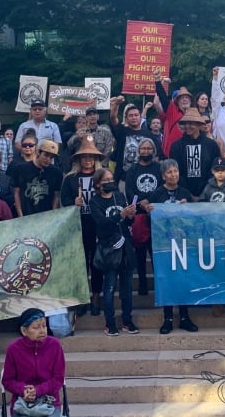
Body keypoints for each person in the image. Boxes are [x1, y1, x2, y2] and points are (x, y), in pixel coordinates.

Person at [145, 159, 199, 335]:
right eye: (169, 172)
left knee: (183, 278)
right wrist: (150, 212)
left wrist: (187, 208)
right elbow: (151, 221)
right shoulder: (156, 195)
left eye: (175, 171)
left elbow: (192, 220)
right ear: (163, 176)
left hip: (182, 244)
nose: (173, 175)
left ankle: (184, 316)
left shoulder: (184, 193)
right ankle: (167, 318)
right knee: (166, 279)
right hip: (163, 245)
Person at [89, 168, 139, 336]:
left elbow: (127, 222)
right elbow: (102, 223)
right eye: (106, 180)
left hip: (125, 247)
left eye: (112, 178)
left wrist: (130, 215)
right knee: (109, 287)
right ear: (98, 184)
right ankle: (110, 323)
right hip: (109, 249)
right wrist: (120, 214)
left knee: (127, 288)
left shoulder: (119, 196)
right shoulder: (95, 202)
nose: (110, 182)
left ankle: (127, 320)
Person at [60, 135, 104, 315]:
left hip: (98, 224)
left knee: (97, 262)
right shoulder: (71, 179)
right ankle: (82, 296)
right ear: (78, 159)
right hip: (79, 225)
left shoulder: (101, 176)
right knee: (81, 263)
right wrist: (73, 202)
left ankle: (96, 295)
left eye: (91, 157)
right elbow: (64, 200)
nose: (87, 160)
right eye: (84, 157)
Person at [2, 308, 66, 417]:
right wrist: (23, 390)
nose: (42, 331)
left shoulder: (55, 345)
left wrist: (38, 390)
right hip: (22, 402)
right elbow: (7, 381)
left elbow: (58, 379)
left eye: (44, 325)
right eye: (36, 327)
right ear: (24, 331)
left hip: (49, 401)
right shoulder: (13, 349)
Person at [124, 138, 162, 296]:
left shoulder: (158, 168)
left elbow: (161, 187)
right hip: (139, 216)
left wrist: (150, 201)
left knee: (156, 253)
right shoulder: (132, 169)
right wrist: (141, 204)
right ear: (139, 151)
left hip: (155, 214)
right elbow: (129, 190)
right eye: (143, 148)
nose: (146, 151)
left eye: (148, 148)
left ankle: (159, 284)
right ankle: (142, 284)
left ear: (153, 150)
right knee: (140, 253)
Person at [169, 108, 221, 199]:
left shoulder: (211, 145)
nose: (187, 126)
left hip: (208, 193)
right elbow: (177, 172)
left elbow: (215, 170)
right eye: (186, 123)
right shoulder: (176, 146)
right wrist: (188, 194)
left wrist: (205, 192)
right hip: (183, 195)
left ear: (199, 125)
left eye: (191, 123)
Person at [109, 98, 162, 183]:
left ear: (140, 117)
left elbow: (157, 156)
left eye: (136, 115)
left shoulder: (148, 134)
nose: (134, 117)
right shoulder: (122, 131)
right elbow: (113, 118)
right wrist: (116, 105)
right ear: (126, 118)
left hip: (144, 178)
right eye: (131, 115)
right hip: (123, 178)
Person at [12, 140, 63, 216]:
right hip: (26, 215)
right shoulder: (21, 168)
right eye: (46, 155)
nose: (48, 159)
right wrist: (20, 215)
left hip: (46, 217)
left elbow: (56, 196)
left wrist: (53, 215)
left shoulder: (57, 172)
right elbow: (17, 193)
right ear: (39, 152)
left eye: (52, 157)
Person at [153, 69, 192, 157]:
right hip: (170, 154)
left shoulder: (194, 115)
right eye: (182, 98)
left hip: (187, 154)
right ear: (177, 101)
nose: (185, 99)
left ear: (190, 100)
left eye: (187, 97)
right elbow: (162, 97)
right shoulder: (172, 111)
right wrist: (158, 81)